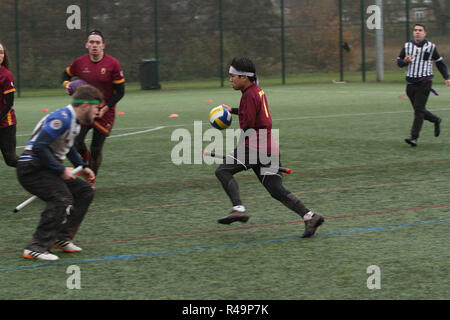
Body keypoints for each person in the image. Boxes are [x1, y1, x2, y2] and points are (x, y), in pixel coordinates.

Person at [214, 57, 324, 238]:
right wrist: (233, 111)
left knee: (223, 171)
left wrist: (240, 152)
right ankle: (310, 216)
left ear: (244, 77)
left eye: (233, 76)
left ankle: (238, 208)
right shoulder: (255, 91)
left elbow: (248, 125)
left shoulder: (248, 95)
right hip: (269, 147)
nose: (230, 79)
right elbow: (253, 114)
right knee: (276, 190)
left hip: (256, 146)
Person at [17, 85, 103, 261]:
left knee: (84, 191)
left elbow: (68, 146)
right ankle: (36, 246)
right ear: (85, 105)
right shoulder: (62, 119)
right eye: (96, 108)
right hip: (32, 168)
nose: (98, 113)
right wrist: (61, 170)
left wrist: (82, 165)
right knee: (61, 198)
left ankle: (61, 238)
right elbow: (40, 146)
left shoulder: (74, 122)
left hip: (46, 167)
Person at [62, 29, 125, 180]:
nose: (94, 45)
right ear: (86, 45)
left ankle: (91, 180)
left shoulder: (113, 64)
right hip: (84, 110)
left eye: (97, 42)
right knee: (76, 142)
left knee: (96, 148)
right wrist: (67, 85)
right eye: (91, 42)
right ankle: (84, 160)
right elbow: (66, 75)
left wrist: (105, 108)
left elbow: (120, 92)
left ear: (103, 45)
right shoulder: (79, 62)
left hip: (104, 111)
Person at [397, 23, 450, 147]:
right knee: (418, 109)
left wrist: (447, 77)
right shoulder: (407, 46)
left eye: (420, 30)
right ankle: (436, 119)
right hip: (410, 83)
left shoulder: (431, 47)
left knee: (418, 110)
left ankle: (414, 138)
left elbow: (439, 62)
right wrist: (405, 61)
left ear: (425, 33)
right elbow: (399, 63)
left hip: (425, 82)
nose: (417, 32)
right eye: (415, 30)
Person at [0, 42, 18, 167]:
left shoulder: (6, 75)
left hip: (6, 123)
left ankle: (39, 165)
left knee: (11, 160)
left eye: (1, 52)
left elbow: (9, 103)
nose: (0, 55)